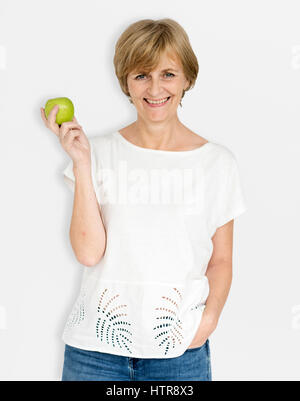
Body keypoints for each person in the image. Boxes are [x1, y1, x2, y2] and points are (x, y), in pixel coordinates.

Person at [40, 18, 247, 381]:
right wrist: (83, 163)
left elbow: (222, 259)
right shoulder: (97, 152)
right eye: (141, 75)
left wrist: (207, 322)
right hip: (94, 355)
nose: (155, 88)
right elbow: (89, 253)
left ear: (187, 79)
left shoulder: (218, 163)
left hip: (179, 353)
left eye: (168, 74)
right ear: (126, 82)